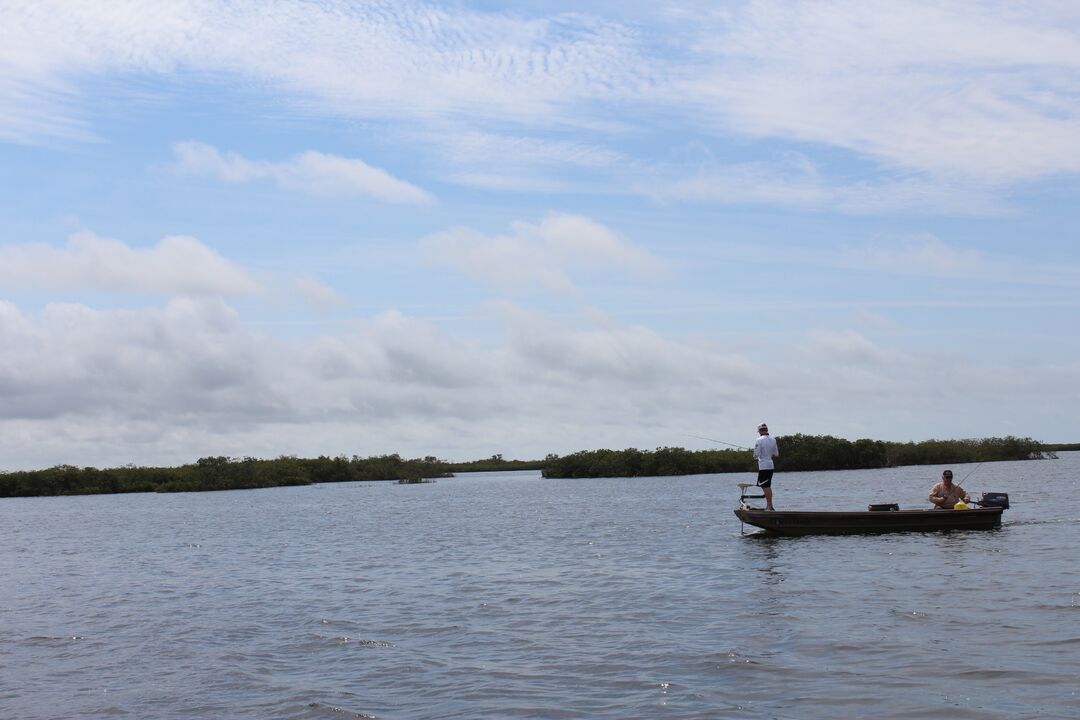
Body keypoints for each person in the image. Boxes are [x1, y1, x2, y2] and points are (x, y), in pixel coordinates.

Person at [753, 422, 779, 510]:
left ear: (760, 431)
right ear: (766, 430)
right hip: (770, 465)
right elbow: (776, 454)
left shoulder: (759, 440)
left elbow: (756, 454)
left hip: (763, 466)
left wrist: (755, 454)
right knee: (767, 486)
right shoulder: (773, 439)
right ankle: (769, 505)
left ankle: (769, 506)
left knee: (765, 486)